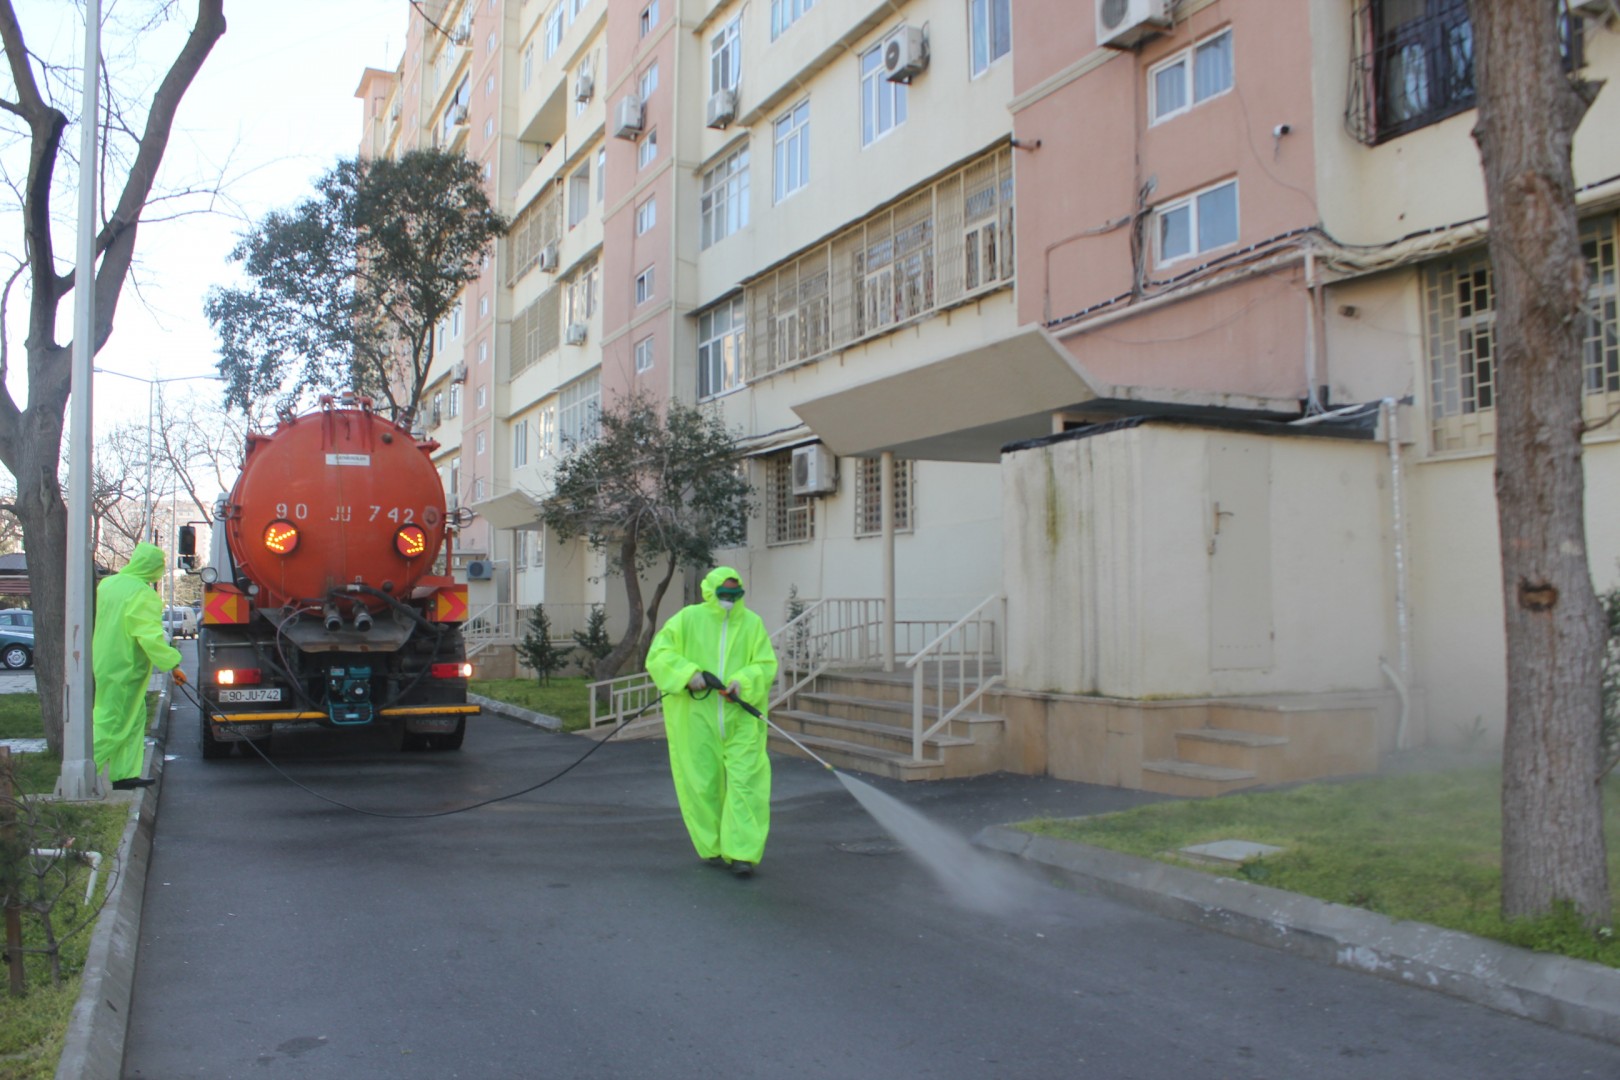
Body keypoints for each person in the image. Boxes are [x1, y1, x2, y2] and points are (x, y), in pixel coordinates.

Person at [646, 566, 779, 877]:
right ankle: (713, 847)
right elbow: (659, 654)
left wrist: (742, 682)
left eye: (735, 594)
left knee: (747, 783)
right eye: (724, 593)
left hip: (740, 718)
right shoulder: (687, 620)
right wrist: (687, 674)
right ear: (710, 591)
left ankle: (743, 853)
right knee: (701, 783)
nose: (729, 599)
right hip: (696, 719)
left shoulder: (751, 624)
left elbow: (764, 664)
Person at [93, 543, 186, 790]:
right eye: (160, 567)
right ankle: (85, 769)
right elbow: (148, 634)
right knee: (112, 722)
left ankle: (125, 775)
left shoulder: (108, 585)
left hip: (106, 658)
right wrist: (172, 663)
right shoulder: (142, 594)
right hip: (126, 664)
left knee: (133, 718)